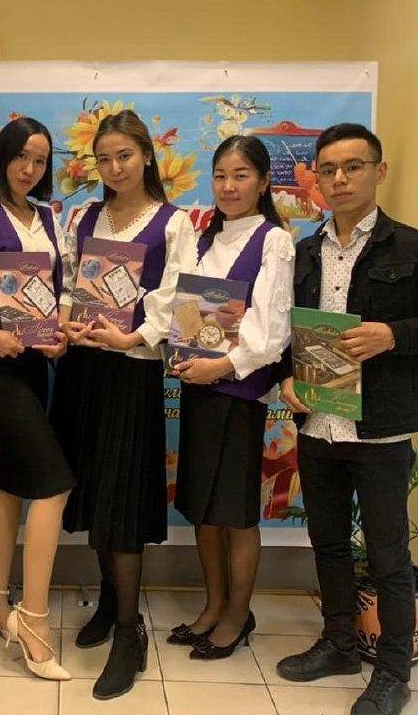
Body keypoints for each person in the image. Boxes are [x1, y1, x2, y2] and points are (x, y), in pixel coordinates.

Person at [276, 123, 418, 715]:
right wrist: (287, 380)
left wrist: (393, 336)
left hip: (380, 428)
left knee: (387, 554)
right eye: (328, 169)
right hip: (319, 423)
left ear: (379, 172)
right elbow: (286, 331)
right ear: (317, 179)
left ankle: (394, 672)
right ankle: (338, 644)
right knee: (327, 541)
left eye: (353, 166)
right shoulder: (304, 252)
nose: (340, 179)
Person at [52, 109, 197, 699]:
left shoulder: (173, 223)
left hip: (131, 370)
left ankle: (130, 632)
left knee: (121, 494)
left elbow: (180, 300)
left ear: (146, 156)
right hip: (84, 368)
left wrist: (132, 336)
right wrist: (67, 321)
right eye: (104, 159)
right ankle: (111, 601)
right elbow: (67, 284)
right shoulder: (84, 216)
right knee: (92, 484)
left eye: (124, 156)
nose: (114, 168)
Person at [0, 116, 74, 682]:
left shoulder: (48, 217)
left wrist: (57, 335)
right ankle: (34, 620)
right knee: (54, 481)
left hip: (33, 361)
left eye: (40, 160)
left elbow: (55, 293)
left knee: (14, 476)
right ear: (1, 157)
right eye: (21, 156)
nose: (29, 169)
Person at [169, 135, 294, 659]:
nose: (229, 186)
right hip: (199, 390)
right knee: (204, 508)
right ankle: (214, 605)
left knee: (236, 512)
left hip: (240, 396)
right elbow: (187, 314)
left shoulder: (274, 241)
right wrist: (187, 354)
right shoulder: (203, 239)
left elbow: (272, 334)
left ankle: (239, 615)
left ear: (263, 182)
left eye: (241, 175)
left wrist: (220, 366)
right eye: (221, 175)